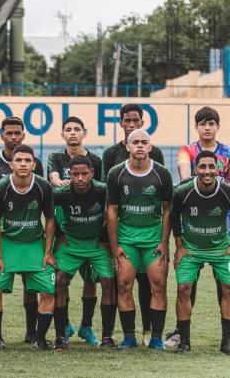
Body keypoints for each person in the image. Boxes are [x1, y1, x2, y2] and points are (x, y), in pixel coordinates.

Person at [102, 103, 165, 346]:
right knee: (122, 283)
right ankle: (127, 335)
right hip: (125, 232)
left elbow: (162, 198)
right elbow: (111, 199)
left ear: (142, 122)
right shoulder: (111, 156)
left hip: (149, 233)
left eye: (135, 120)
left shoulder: (155, 154)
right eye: (126, 120)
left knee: (149, 283)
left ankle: (149, 332)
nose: (131, 125)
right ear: (120, 123)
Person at [167, 106, 230, 347]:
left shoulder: (227, 152)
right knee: (186, 285)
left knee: (224, 284)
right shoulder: (188, 150)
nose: (207, 127)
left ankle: (227, 338)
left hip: (222, 224)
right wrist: (189, 181)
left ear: (217, 127)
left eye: (211, 123)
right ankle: (181, 334)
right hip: (193, 223)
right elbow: (184, 171)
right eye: (202, 123)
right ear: (196, 127)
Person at [0, 116, 44, 344]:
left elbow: (39, 197)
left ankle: (32, 331)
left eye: (18, 133)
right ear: (2, 136)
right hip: (4, 236)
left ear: (24, 135)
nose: (14, 137)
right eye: (9, 133)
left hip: (30, 236)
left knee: (31, 283)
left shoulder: (34, 163)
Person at [0, 144, 55, 352]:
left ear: (34, 164)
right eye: (19, 160)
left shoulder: (43, 186)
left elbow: (51, 220)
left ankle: (40, 338)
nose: (23, 164)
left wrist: (48, 252)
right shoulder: (0, 187)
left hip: (35, 243)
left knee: (48, 291)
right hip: (8, 243)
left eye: (27, 160)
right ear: (11, 164)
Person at [52, 155, 117, 351]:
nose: (80, 178)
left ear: (92, 174)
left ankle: (107, 337)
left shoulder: (102, 190)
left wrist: (106, 239)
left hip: (97, 243)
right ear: (69, 174)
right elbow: (47, 214)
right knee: (60, 279)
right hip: (71, 243)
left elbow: (114, 213)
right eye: (75, 174)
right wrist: (59, 234)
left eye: (84, 174)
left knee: (107, 281)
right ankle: (61, 335)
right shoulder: (61, 193)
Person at [47, 116, 102, 345]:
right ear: (62, 134)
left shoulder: (96, 160)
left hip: (92, 229)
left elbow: (100, 189)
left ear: (84, 133)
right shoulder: (56, 157)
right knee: (62, 280)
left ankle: (86, 326)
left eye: (76, 129)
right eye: (67, 129)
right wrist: (60, 182)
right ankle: (65, 325)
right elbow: (53, 178)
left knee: (91, 281)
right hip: (65, 232)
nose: (72, 133)